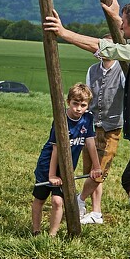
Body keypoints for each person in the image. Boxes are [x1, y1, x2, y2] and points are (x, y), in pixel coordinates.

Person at [45, 0, 130, 259]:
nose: (122, 31)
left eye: (124, 25)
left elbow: (106, 47)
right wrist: (118, 15)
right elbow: (124, 36)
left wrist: (63, 33)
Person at [31, 84, 101, 238]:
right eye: (75, 104)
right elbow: (56, 149)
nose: (78, 109)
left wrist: (96, 167)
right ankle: (36, 231)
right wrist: (51, 175)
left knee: (57, 201)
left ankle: (52, 235)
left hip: (66, 168)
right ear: (68, 101)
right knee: (40, 198)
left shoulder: (88, 118)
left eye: (83, 105)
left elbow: (90, 143)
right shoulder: (61, 119)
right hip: (48, 165)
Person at [79, 56, 124, 225]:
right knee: (90, 170)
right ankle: (96, 212)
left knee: (99, 171)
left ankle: (79, 200)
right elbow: (88, 96)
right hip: (91, 126)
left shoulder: (122, 70)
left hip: (111, 127)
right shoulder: (92, 70)